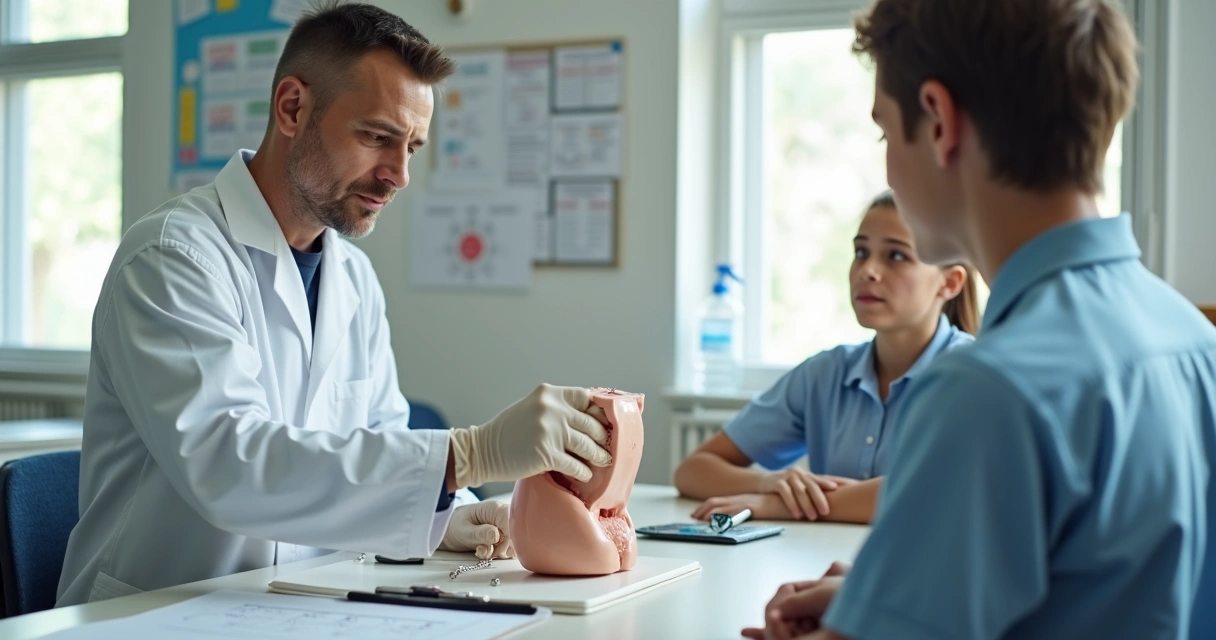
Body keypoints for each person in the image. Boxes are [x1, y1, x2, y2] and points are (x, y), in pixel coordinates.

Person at [56, 3, 613, 607]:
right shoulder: (174, 257)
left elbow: (378, 436)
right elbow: (227, 463)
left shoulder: (352, 278)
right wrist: (467, 455)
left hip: (293, 606)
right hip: (152, 611)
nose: (398, 174)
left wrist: (443, 514)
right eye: (377, 136)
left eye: (413, 147)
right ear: (292, 107)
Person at [744, 1, 1216, 639]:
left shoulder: (988, 389)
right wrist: (877, 591)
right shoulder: (1196, 341)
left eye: (886, 132)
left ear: (939, 121)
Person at [674, 193, 976, 525]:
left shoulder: (973, 375)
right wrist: (769, 483)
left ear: (949, 283)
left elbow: (929, 491)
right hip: (827, 566)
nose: (868, 271)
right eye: (861, 252)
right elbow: (693, 471)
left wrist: (782, 506)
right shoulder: (824, 374)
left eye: (896, 256)